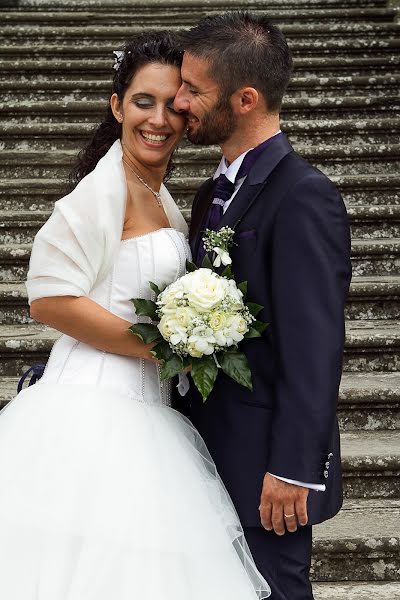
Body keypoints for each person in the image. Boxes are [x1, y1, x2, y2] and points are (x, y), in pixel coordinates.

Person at [0, 31, 270, 599]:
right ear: (117, 105)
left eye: (174, 105)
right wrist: (162, 345)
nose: (159, 120)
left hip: (151, 411)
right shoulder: (102, 192)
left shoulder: (162, 196)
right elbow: (49, 298)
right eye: (143, 101)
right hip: (91, 411)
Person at [173, 11, 352, 600]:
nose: (179, 102)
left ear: (245, 98)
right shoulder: (209, 194)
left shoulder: (304, 196)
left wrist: (294, 468)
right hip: (204, 453)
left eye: (194, 89)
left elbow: (314, 346)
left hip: (267, 474)